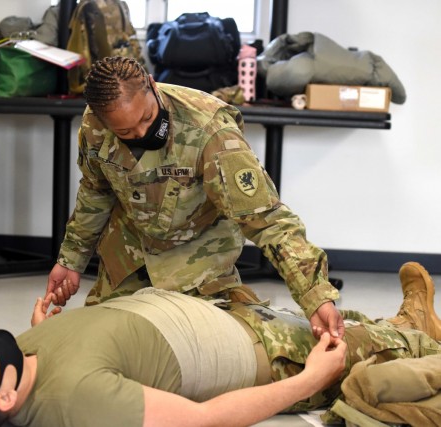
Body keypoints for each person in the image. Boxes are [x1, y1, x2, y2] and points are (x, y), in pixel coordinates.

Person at [0, 262, 441, 427]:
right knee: (362, 345)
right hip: (260, 350)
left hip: (218, 311)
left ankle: (415, 326)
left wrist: (43, 325)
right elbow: (203, 419)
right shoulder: (79, 404)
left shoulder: (22, 362)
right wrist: (309, 381)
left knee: (354, 321)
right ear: (6, 397)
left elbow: (19, 350)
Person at [44, 56, 343, 341]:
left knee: (206, 351)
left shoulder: (210, 131)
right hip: (129, 256)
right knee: (105, 342)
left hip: (198, 262)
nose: (142, 132)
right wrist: (71, 260)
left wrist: (315, 296)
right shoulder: (95, 125)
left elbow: (267, 221)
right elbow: (96, 191)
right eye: (125, 131)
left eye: (147, 117)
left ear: (152, 84)